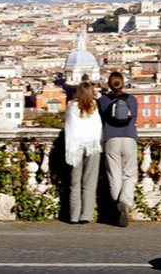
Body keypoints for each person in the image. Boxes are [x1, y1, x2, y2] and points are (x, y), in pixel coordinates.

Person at [98, 72, 138, 227]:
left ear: (109, 84)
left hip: (111, 139)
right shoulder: (132, 100)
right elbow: (134, 118)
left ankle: (117, 206)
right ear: (123, 83)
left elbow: (101, 119)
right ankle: (125, 201)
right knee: (129, 174)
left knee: (114, 176)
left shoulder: (103, 100)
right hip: (129, 138)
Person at [65, 81, 103, 224]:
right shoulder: (95, 105)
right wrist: (97, 96)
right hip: (92, 145)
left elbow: (70, 125)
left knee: (75, 183)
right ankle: (86, 215)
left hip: (75, 147)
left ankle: (73, 216)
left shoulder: (71, 106)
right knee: (90, 183)